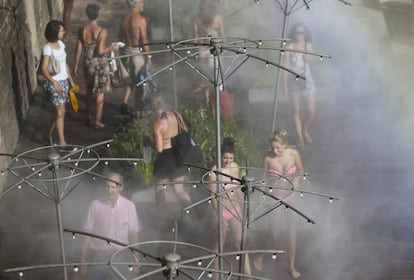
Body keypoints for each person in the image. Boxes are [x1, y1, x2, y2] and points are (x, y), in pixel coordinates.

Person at [253, 129, 304, 278]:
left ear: (285, 145)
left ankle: (291, 266)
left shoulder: (293, 154)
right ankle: (260, 256)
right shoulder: (268, 159)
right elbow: (262, 178)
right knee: (275, 232)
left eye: (278, 148)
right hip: (274, 197)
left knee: (291, 233)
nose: (275, 150)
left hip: (291, 196)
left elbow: (301, 170)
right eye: (272, 148)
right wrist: (261, 197)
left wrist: (296, 180)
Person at [80, 172, 141, 279]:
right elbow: (87, 233)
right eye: (107, 186)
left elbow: (134, 235)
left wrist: (136, 261)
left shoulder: (129, 206)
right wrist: (82, 259)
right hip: (98, 254)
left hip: (121, 254)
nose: (109, 190)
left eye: (113, 187)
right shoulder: (95, 205)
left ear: (120, 188)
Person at [209, 137, 251, 279]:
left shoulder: (235, 167)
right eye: (225, 158)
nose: (228, 161)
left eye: (231, 158)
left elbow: (238, 189)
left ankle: (248, 275)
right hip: (221, 210)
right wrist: (219, 215)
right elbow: (213, 196)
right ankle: (216, 276)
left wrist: (244, 205)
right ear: (220, 156)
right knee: (219, 246)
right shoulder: (215, 171)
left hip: (235, 209)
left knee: (240, 242)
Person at [74, 3, 120, 128]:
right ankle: (97, 120)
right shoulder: (102, 31)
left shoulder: (82, 29)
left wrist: (75, 65)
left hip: (87, 63)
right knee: (100, 93)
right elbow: (100, 51)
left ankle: (89, 117)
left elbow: (78, 49)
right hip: (99, 64)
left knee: (89, 91)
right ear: (98, 14)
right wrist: (112, 47)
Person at [151, 94, 192, 211]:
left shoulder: (157, 123)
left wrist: (150, 142)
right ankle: (190, 213)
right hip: (178, 153)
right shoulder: (175, 114)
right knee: (179, 189)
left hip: (165, 157)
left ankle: (161, 215)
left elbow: (159, 148)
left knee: (159, 188)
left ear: (154, 108)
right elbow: (185, 130)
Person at [40, 20, 76, 146]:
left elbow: (64, 64)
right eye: (61, 30)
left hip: (64, 81)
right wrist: (54, 82)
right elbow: (43, 69)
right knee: (60, 111)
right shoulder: (47, 48)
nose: (64, 32)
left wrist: (70, 80)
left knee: (59, 112)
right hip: (54, 83)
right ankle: (62, 142)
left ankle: (47, 135)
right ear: (55, 32)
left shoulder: (61, 44)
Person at [283, 23, 316, 148]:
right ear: (293, 33)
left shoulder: (308, 46)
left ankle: (305, 129)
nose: (299, 35)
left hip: (308, 80)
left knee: (311, 110)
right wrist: (284, 85)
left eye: (302, 33)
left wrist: (310, 59)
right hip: (294, 81)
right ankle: (300, 137)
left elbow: (314, 61)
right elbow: (285, 66)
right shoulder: (289, 46)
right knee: (296, 110)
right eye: (297, 32)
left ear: (305, 33)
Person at [118, 0, 151, 116]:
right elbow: (144, 39)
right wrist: (148, 57)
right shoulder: (140, 19)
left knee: (130, 80)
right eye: (142, 2)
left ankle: (124, 102)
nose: (143, 4)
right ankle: (138, 110)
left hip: (125, 50)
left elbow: (119, 36)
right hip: (136, 52)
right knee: (141, 81)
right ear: (136, 4)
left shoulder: (124, 18)